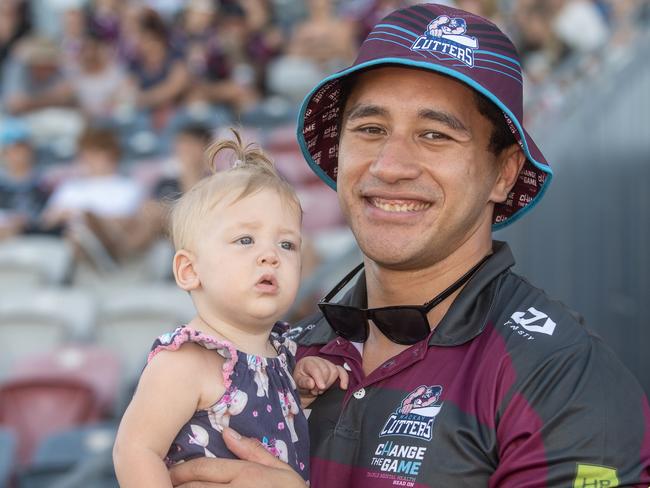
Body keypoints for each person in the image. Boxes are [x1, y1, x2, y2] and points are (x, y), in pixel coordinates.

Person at [167, 3, 650, 488]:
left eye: (434, 135)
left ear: (503, 173)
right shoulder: (280, 353)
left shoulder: (564, 377)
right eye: (371, 129)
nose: (390, 166)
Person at [112, 130, 348, 487]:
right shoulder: (188, 359)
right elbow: (134, 450)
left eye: (287, 244)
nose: (271, 254)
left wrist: (300, 385)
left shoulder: (283, 354)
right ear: (190, 271)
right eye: (245, 240)